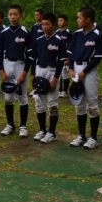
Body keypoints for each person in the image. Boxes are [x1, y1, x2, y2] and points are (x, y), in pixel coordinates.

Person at [67, 8, 102, 148]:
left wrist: (84, 72)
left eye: (79, 18)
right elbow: (70, 53)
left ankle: (93, 138)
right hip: (76, 69)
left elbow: (97, 58)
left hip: (89, 70)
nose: (77, 20)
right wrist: (71, 69)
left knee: (91, 104)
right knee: (79, 104)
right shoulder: (76, 34)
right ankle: (81, 135)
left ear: (88, 20)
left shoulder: (97, 35)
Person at [0, 4, 33, 138]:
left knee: (22, 97)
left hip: (20, 65)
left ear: (21, 16)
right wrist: (1, 71)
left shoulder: (26, 32)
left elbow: (30, 55)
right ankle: (10, 125)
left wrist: (24, 72)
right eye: (10, 14)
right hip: (7, 64)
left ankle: (23, 126)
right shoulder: (4, 33)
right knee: (8, 97)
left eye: (15, 14)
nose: (13, 17)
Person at [29, 13, 65, 144]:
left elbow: (61, 62)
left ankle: (52, 132)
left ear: (53, 25)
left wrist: (55, 78)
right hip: (39, 70)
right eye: (43, 24)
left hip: (52, 71)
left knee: (52, 103)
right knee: (39, 102)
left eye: (47, 24)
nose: (44, 26)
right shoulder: (38, 40)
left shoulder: (59, 41)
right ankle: (42, 130)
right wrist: (32, 74)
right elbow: (33, 58)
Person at [28, 9, 44, 95]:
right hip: (34, 50)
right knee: (33, 67)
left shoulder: (44, 25)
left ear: (42, 15)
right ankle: (34, 87)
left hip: (42, 50)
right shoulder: (34, 27)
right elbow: (32, 38)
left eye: (37, 15)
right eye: (35, 15)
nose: (36, 16)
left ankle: (42, 86)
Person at [55, 14, 72, 97]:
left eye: (61, 20)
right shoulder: (56, 32)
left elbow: (70, 46)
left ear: (65, 22)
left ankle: (64, 91)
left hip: (66, 57)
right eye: (58, 21)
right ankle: (59, 90)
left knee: (65, 74)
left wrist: (68, 58)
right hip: (58, 57)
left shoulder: (68, 32)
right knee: (59, 74)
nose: (59, 22)